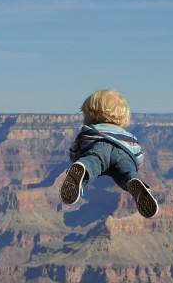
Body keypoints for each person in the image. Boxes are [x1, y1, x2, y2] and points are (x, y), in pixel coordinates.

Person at [59, 88, 158, 218]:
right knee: (126, 174)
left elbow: (77, 147)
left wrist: (77, 159)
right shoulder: (129, 136)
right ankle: (134, 180)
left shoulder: (91, 130)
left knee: (92, 163)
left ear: (91, 114)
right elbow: (138, 155)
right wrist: (135, 167)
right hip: (124, 153)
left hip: (98, 148)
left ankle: (82, 170)